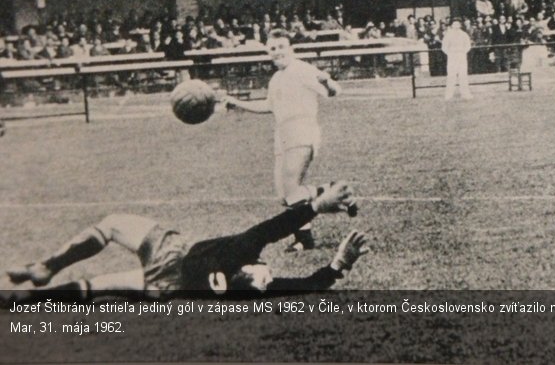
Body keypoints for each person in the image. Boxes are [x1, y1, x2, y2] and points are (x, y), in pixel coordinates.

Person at [4, 181, 367, 302]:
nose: (266, 276)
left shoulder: (239, 255)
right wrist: (339, 265)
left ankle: (41, 277)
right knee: (98, 283)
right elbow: (306, 284)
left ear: (245, 273)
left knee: (106, 250)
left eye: (259, 278)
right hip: (172, 277)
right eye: (265, 277)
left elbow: (269, 229)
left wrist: (317, 205)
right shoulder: (250, 284)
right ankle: (35, 286)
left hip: (171, 264)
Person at [222, 32, 341, 250]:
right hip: (282, 134)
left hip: (302, 129)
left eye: (281, 47)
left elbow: (334, 92)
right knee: (284, 195)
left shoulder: (302, 69)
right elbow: (268, 107)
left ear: (291, 48)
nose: (277, 52)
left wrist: (328, 81)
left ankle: (305, 240)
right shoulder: (276, 78)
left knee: (291, 186)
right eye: (272, 48)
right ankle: (330, 191)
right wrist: (236, 102)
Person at [441, 20, 473, 100]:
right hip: (452, 57)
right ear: (451, 25)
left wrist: (463, 52)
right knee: (451, 75)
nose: (456, 26)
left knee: (463, 75)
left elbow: (468, 45)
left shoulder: (464, 34)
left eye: (458, 24)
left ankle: (465, 94)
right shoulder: (448, 35)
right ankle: (449, 95)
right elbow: (444, 47)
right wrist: (450, 53)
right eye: (454, 24)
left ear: (460, 25)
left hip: (461, 56)